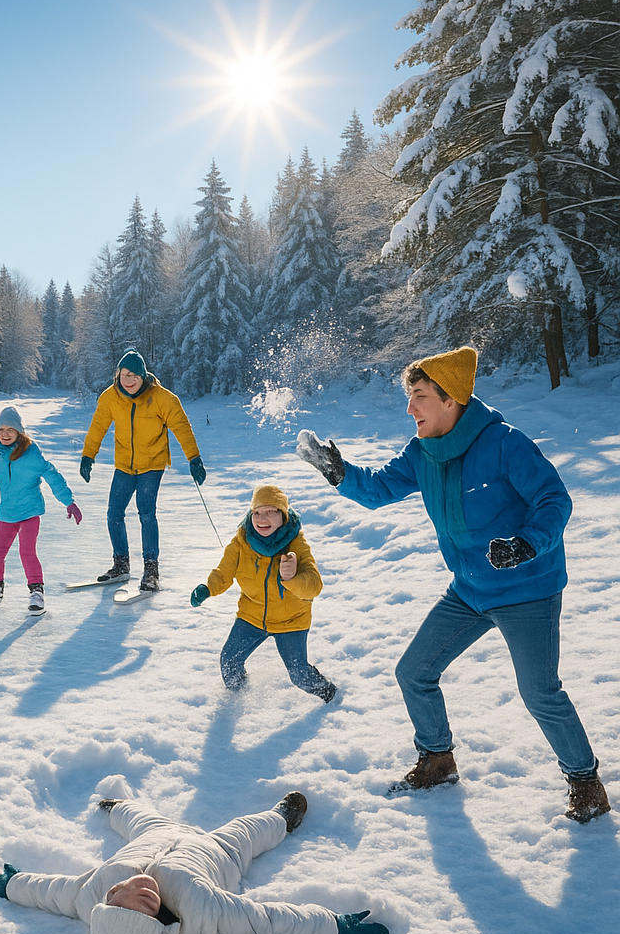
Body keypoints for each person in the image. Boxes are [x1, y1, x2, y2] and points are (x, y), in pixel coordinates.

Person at [296, 345, 609, 823]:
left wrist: (527, 543)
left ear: (451, 399)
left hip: (527, 590)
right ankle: (438, 761)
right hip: (469, 589)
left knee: (540, 692)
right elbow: (379, 488)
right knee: (414, 672)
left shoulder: (503, 442)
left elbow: (554, 499)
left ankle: (586, 784)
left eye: (419, 396)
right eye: (409, 397)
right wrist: (339, 472)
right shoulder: (423, 451)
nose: (410, 408)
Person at [0, 794, 388, 934]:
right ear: (160, 922)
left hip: (155, 833)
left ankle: (116, 805)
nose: (144, 892)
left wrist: (11, 883)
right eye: (150, 906)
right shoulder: (203, 912)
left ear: (110, 900)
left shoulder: (89, 893)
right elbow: (269, 922)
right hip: (217, 851)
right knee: (248, 830)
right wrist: (334, 927)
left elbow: (48, 892)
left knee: (135, 817)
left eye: (130, 897)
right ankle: (281, 818)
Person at [191, 485, 336, 702]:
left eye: (270, 511)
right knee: (229, 661)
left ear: (283, 515)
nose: (261, 518)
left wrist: (292, 579)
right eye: (257, 512)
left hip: (291, 620)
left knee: (299, 675)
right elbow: (224, 571)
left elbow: (314, 585)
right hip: (252, 615)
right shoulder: (242, 540)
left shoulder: (296, 543)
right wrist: (208, 588)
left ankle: (331, 695)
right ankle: (238, 699)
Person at [79, 349, 205, 594]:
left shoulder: (162, 398)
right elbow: (97, 427)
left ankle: (151, 570)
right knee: (114, 513)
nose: (128, 380)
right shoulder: (110, 397)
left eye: (134, 376)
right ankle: (121, 564)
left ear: (143, 376)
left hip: (152, 465)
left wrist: (194, 458)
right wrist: (88, 456)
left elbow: (181, 427)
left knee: (146, 513)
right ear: (118, 375)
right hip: (124, 465)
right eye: (124, 374)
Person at [0, 406, 82, 613]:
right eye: (1, 429)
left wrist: (68, 502)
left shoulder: (32, 454)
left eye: (10, 429)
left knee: (27, 552)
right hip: (7, 513)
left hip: (29, 513)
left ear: (19, 432)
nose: (5, 434)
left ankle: (36, 591)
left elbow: (53, 476)